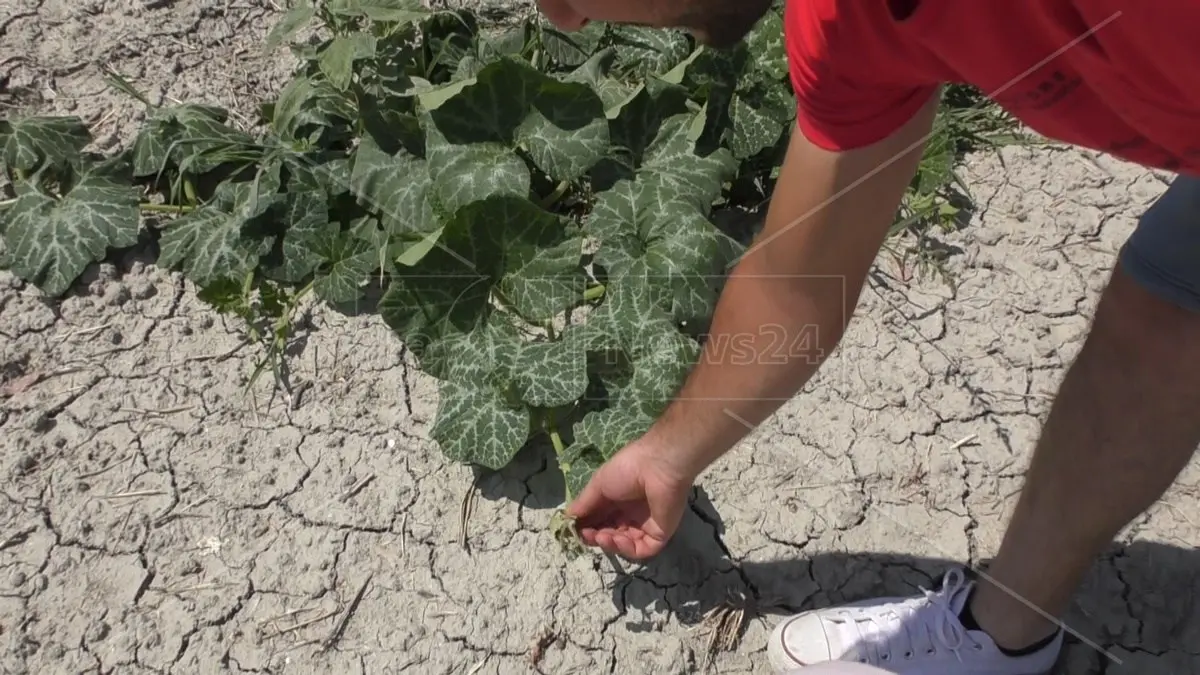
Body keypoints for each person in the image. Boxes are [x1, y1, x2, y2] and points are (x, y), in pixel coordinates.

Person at [536, 0, 1200, 672]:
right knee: (1167, 310)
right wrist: (667, 456)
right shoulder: (843, 22)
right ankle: (1006, 633)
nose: (561, 19)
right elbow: (799, 279)